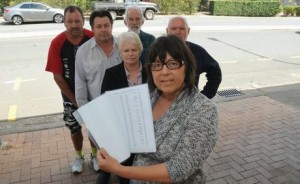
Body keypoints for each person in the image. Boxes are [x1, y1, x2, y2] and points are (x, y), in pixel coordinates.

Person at [97, 35, 219, 183]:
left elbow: (177, 170)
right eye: (157, 65)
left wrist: (118, 169)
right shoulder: (147, 97)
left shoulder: (203, 110)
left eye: (173, 63)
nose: (164, 71)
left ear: (187, 66)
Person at [45, 5, 95, 174]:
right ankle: (79, 156)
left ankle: (95, 155)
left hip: (92, 94)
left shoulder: (92, 37)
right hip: (70, 96)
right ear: (64, 23)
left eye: (77, 21)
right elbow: (58, 77)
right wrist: (75, 100)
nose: (74, 25)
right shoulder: (57, 43)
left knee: (95, 126)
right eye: (70, 21)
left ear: (83, 21)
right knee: (74, 128)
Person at [74, 9, 121, 175]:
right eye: (99, 26)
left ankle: (124, 173)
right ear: (92, 28)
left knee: (124, 146)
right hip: (97, 110)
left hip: (121, 109)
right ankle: (106, 173)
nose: (103, 29)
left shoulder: (123, 46)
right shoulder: (83, 52)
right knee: (102, 145)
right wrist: (87, 113)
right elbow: (80, 86)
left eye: (107, 25)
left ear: (112, 26)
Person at [98, 31, 147, 184]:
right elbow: (104, 104)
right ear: (120, 52)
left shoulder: (151, 72)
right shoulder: (111, 74)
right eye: (126, 50)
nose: (130, 54)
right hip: (122, 133)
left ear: (140, 50)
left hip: (147, 130)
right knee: (125, 172)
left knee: (146, 171)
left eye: (134, 50)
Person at [166, 16, 222, 99]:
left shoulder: (197, 51)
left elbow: (215, 72)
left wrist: (205, 96)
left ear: (188, 31)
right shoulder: (157, 50)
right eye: (173, 28)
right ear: (167, 31)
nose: (178, 32)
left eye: (182, 28)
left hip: (190, 104)